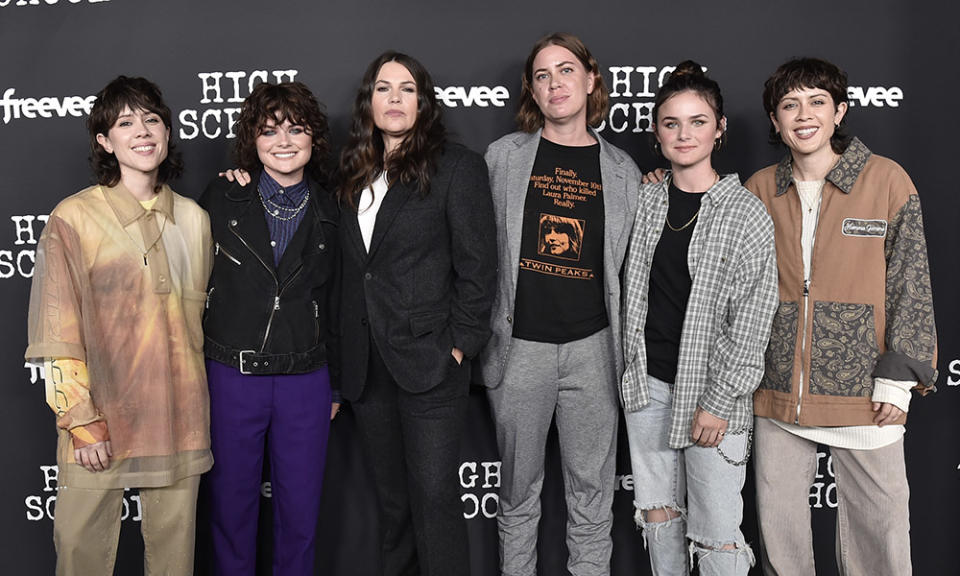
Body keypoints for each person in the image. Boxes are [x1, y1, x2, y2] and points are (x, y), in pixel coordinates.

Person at [745, 57, 937, 576]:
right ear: (774, 120)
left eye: (816, 102)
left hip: (865, 393)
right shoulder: (759, 188)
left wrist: (898, 380)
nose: (803, 115)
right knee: (780, 541)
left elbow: (910, 283)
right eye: (789, 105)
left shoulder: (886, 180)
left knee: (882, 537)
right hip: (778, 391)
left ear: (839, 111)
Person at [25, 76, 212, 576]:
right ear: (105, 142)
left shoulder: (195, 220)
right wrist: (81, 420)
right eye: (125, 122)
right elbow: (56, 327)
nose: (143, 131)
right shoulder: (74, 218)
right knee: (80, 553)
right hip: (99, 423)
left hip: (181, 418)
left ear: (168, 132)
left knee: (176, 560)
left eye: (152, 119)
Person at [480, 32, 640, 576]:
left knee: (592, 498)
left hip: (594, 351)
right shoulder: (502, 158)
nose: (555, 84)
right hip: (518, 348)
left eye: (566, 70)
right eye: (543, 75)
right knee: (517, 494)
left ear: (590, 79)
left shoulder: (625, 172)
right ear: (532, 89)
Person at [336, 51, 497, 576]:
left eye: (407, 89)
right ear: (370, 101)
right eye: (384, 88)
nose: (395, 99)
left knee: (435, 502)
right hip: (368, 366)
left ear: (423, 102)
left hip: (430, 362)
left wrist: (459, 345)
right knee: (394, 506)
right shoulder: (351, 171)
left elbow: (478, 267)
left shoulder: (457, 167)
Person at [620, 61, 778, 576]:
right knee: (659, 517)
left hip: (712, 395)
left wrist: (718, 400)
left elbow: (754, 319)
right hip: (648, 388)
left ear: (720, 128)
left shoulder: (745, 212)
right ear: (657, 132)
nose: (684, 134)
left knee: (716, 534)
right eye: (671, 123)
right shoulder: (645, 198)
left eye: (697, 121)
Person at [199, 81, 340, 576]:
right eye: (269, 130)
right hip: (231, 375)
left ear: (314, 138)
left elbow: (341, 303)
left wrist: (336, 386)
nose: (283, 140)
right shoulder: (222, 196)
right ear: (252, 141)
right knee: (230, 511)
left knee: (299, 516)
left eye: (296, 129)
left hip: (306, 379)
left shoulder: (332, 209)